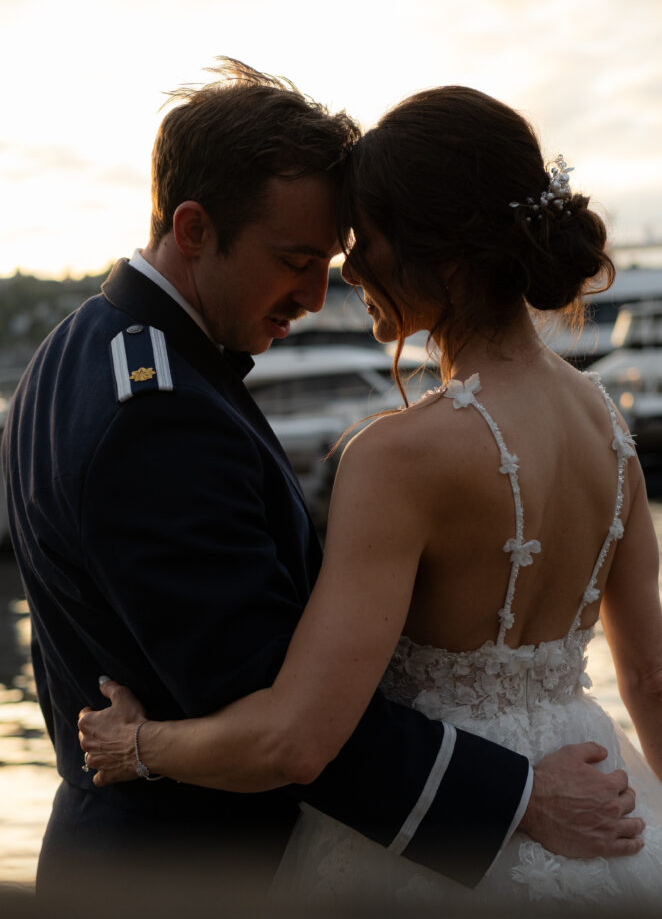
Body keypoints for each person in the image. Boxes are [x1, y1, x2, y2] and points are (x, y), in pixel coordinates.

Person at [77, 85, 662, 908]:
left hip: (440, 865)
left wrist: (138, 746)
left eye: (364, 241)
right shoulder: (612, 428)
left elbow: (297, 737)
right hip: (611, 816)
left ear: (441, 253)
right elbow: (651, 678)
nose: (348, 271)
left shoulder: (398, 457)